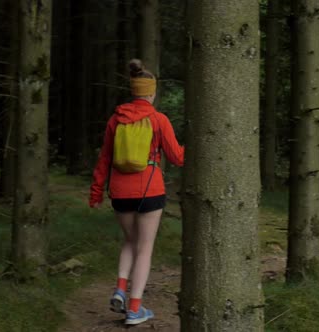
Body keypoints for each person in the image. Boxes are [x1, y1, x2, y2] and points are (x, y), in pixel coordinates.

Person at [89, 59, 184, 325]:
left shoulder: (115, 120)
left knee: (129, 241)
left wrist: (96, 193)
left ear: (134, 91)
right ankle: (134, 308)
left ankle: (120, 288)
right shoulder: (158, 119)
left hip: (120, 191)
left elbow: (104, 160)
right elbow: (176, 157)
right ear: (151, 93)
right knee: (145, 247)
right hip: (149, 190)